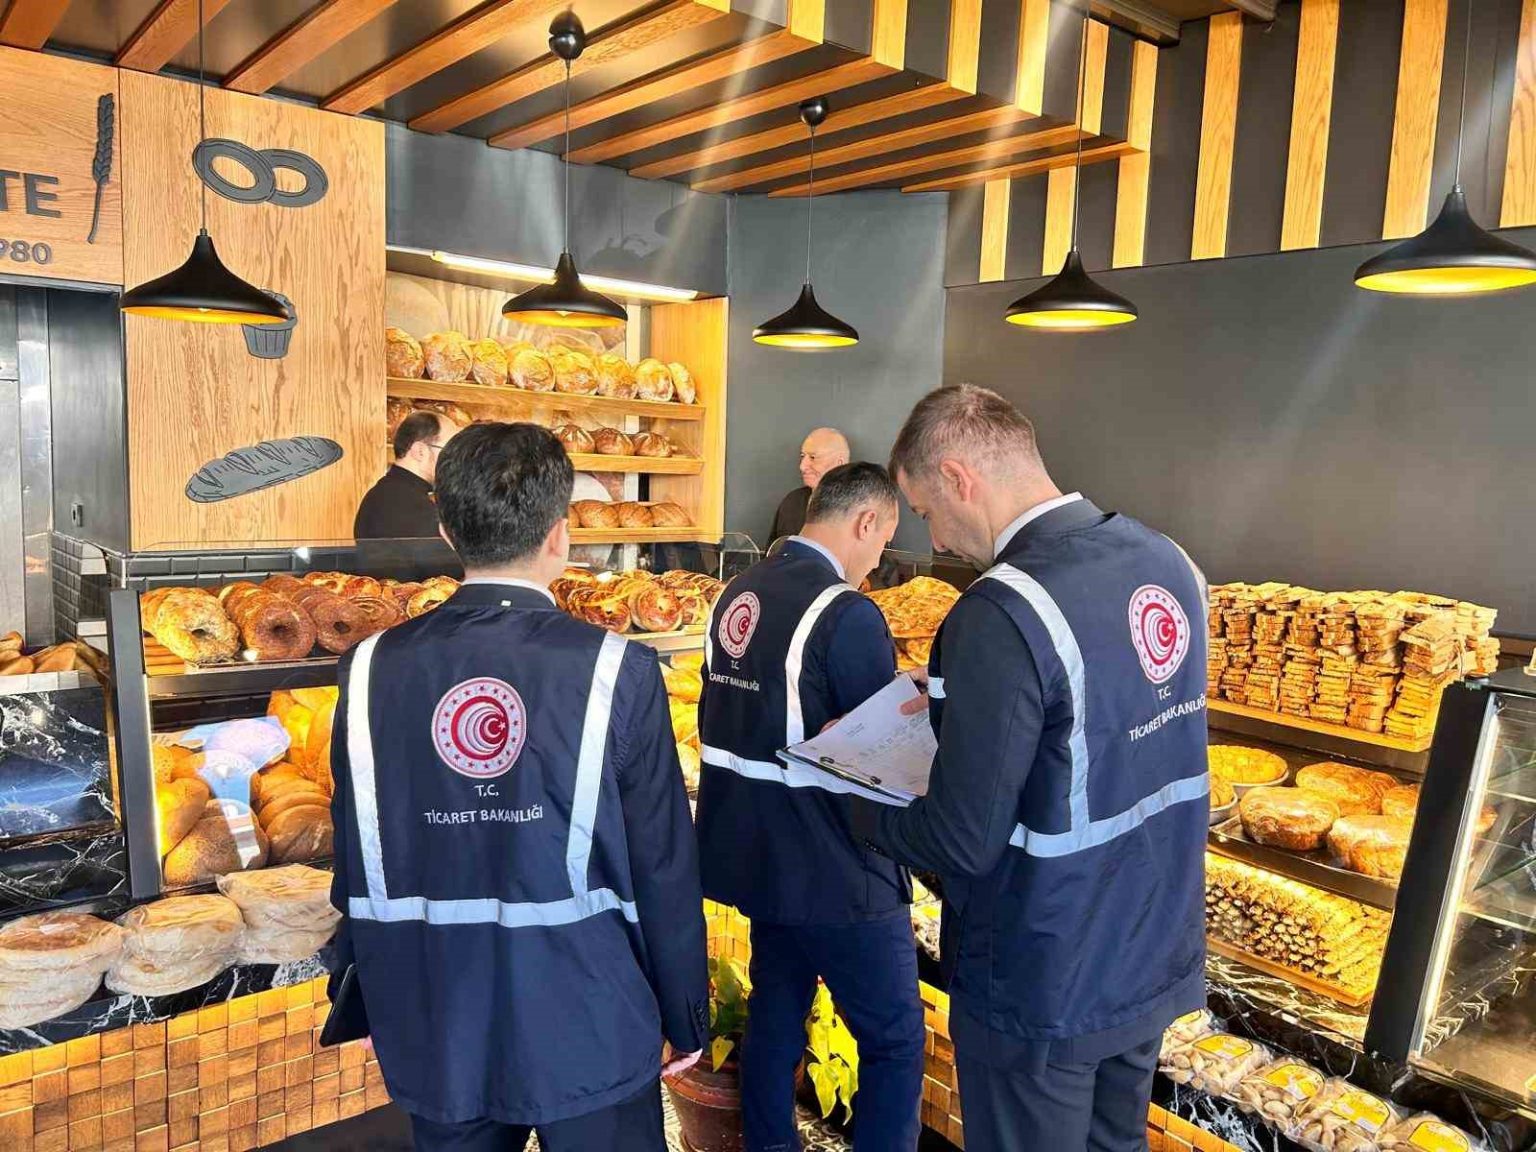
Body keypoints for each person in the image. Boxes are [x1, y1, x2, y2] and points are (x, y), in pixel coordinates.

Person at [328, 422, 708, 1152]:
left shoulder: (369, 666)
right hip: (591, 1015)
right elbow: (664, 863)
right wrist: (684, 1011)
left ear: (446, 530)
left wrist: (363, 989)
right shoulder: (618, 669)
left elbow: (357, 844)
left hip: (434, 1010)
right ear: (561, 534)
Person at [849, 384, 1209, 1152]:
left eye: (926, 510)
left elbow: (960, 840)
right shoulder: (1169, 561)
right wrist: (955, 701)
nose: (936, 537)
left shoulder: (1000, 609)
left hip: (1043, 973)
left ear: (958, 478)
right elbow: (1093, 716)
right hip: (1148, 948)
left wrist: (849, 800)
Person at [697, 462, 925, 1152]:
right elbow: (877, 753)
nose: (878, 558)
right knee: (894, 1041)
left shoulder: (737, 591)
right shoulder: (845, 613)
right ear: (865, 522)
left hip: (754, 855)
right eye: (883, 540)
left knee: (776, 1011)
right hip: (835, 865)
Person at [353, 411, 459, 539]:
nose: (455, 460)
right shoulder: (416, 509)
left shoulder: (382, 494)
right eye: (450, 451)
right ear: (420, 452)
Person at [766, 427, 850, 547]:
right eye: (802, 456)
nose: (802, 466)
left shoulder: (859, 509)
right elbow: (774, 553)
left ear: (839, 463)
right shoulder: (792, 503)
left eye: (813, 457)